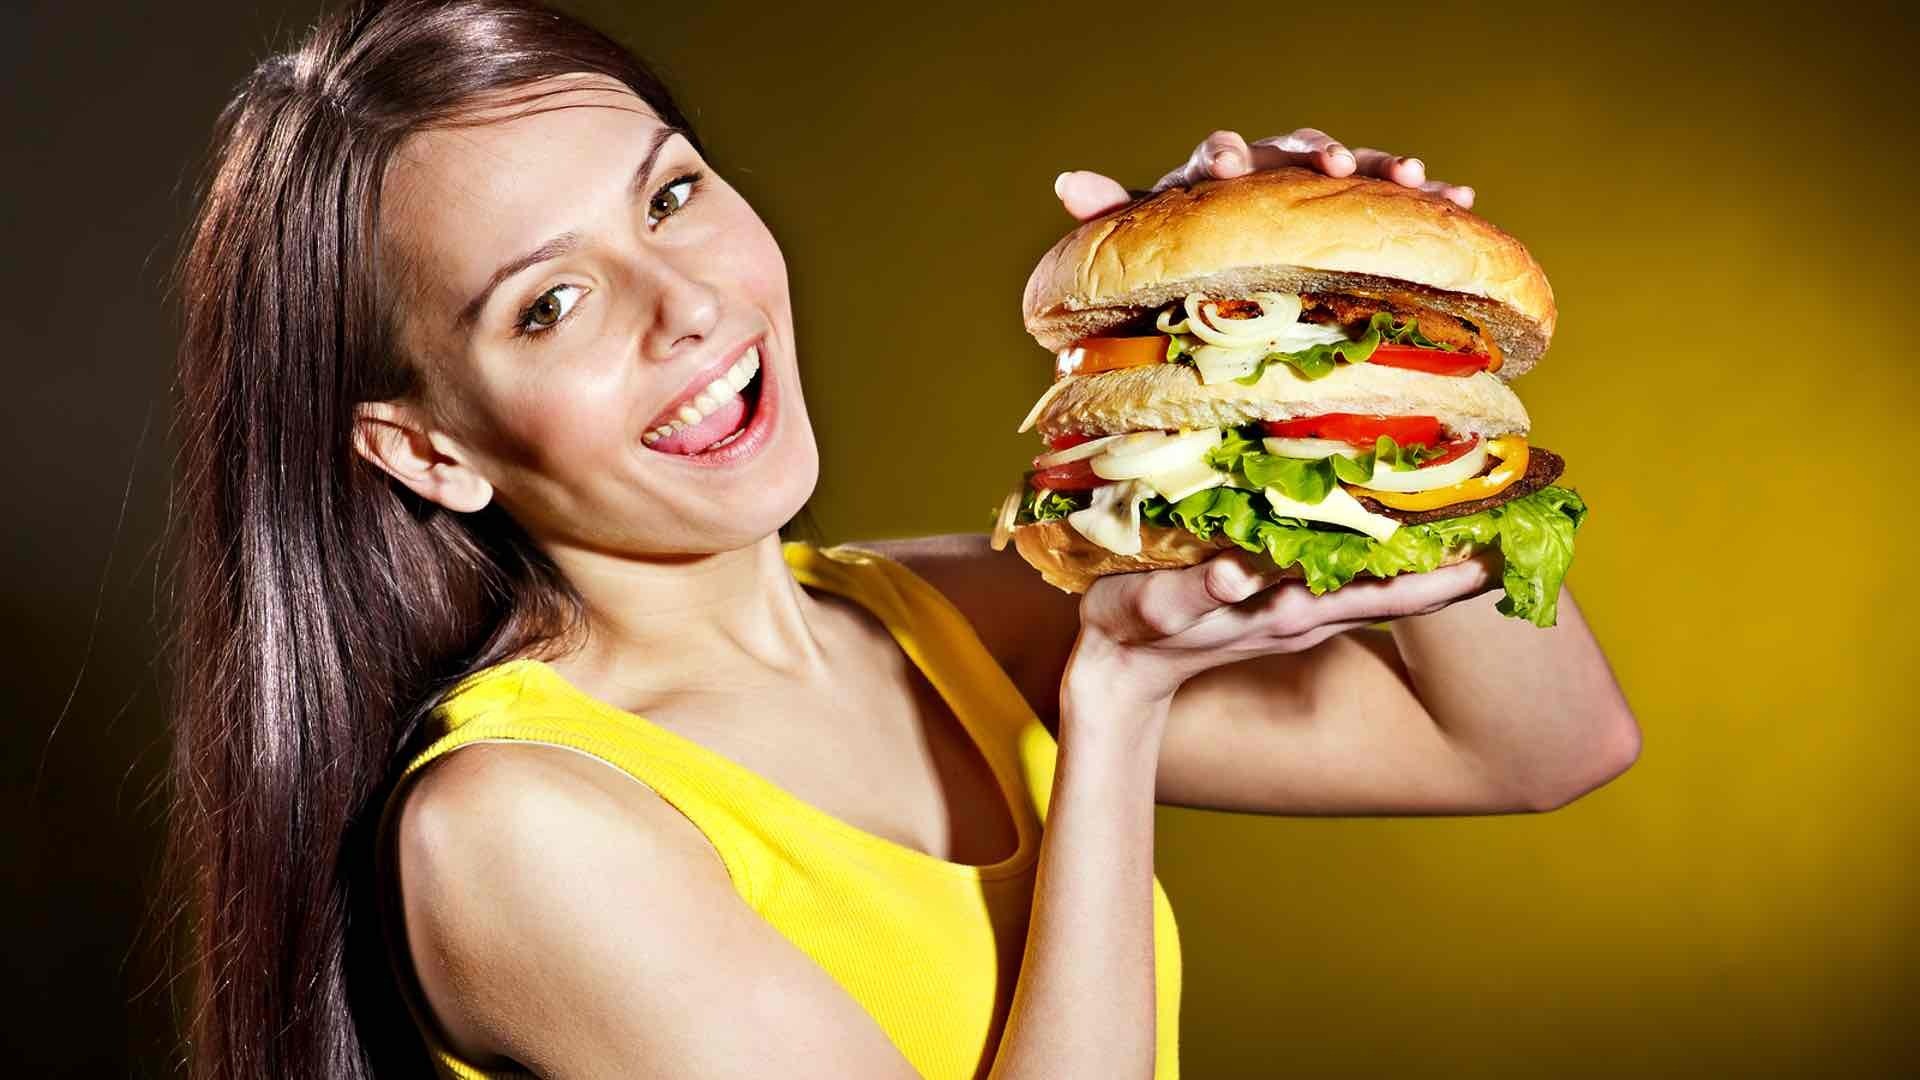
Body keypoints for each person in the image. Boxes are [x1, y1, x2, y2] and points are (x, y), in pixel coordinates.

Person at [166, 1, 1637, 1077]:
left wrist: (1365, 361)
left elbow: (1537, 748)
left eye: (670, 196)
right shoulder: (517, 829)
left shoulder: (941, 616)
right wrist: (1115, 712)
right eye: (550, 304)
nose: (690, 306)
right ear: (427, 447)